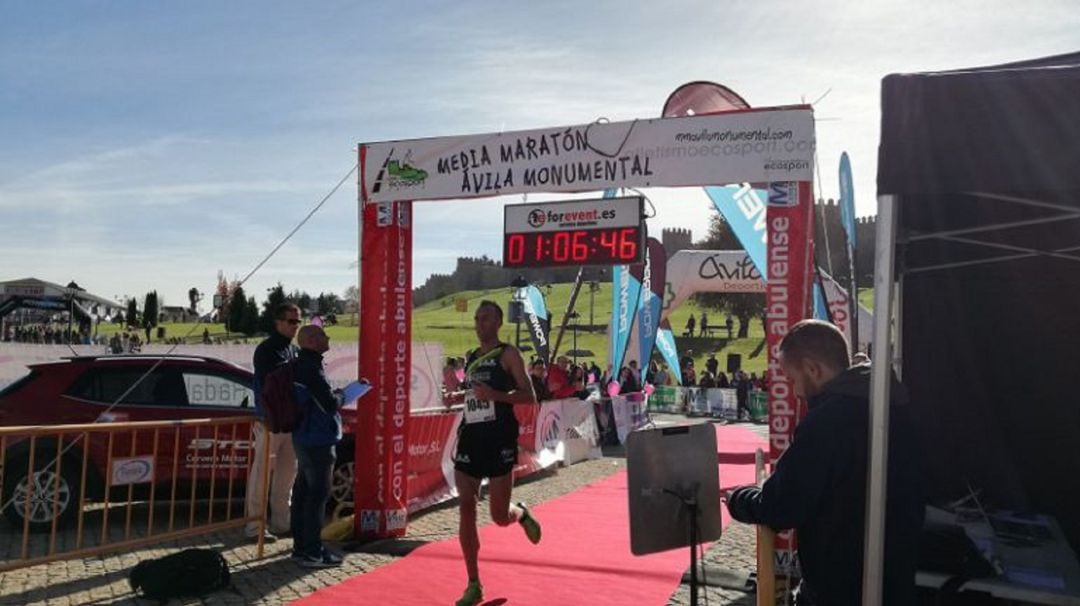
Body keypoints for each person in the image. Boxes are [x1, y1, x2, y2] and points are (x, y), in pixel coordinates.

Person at [725, 320, 923, 605]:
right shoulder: (895, 406)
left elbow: (781, 507)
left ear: (812, 369)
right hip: (895, 579)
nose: (795, 392)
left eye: (793, 380)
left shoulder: (827, 422)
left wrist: (738, 498)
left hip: (840, 585)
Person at [453, 301, 542, 606]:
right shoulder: (471, 358)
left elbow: (530, 396)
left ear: (499, 322)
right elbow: (473, 397)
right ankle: (473, 583)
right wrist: (456, 397)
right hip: (470, 438)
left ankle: (521, 513)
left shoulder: (508, 354)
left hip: (499, 438)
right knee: (466, 506)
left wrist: (496, 395)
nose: (480, 324)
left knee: (499, 516)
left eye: (486, 318)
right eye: (477, 319)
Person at [244, 303, 301, 542]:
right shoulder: (266, 349)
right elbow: (279, 379)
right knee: (261, 475)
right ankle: (254, 527)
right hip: (269, 420)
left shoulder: (295, 350)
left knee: (287, 476)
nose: (296, 326)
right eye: (291, 321)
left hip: (291, 421)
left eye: (298, 321)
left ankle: (281, 523)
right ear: (278, 322)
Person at [289, 325, 345, 568]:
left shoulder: (299, 365)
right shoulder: (310, 368)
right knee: (317, 495)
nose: (328, 337)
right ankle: (312, 552)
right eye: (323, 335)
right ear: (312, 340)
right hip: (317, 439)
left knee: (303, 493)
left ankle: (301, 548)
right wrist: (343, 396)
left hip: (303, 436)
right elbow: (328, 404)